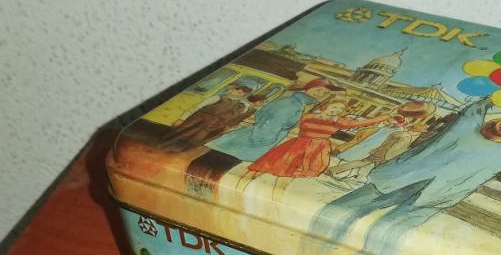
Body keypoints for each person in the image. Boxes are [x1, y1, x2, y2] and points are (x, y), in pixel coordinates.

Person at [307, 98, 501, 255]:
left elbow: (474, 109)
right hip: (436, 196)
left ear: (489, 125)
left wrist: (494, 98)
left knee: (337, 211)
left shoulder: (465, 126)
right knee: (385, 234)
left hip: (398, 179)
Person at [241, 97, 393, 201]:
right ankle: (242, 186)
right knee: (270, 166)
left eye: (340, 109)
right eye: (334, 107)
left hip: (317, 150)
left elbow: (363, 123)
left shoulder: (339, 121)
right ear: (326, 106)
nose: (336, 110)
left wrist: (384, 117)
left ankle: (275, 196)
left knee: (293, 174)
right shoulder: (308, 116)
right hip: (297, 146)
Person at [208, 78, 344, 162]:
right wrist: (262, 141)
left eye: (324, 93)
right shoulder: (291, 105)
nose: (320, 94)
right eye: (318, 90)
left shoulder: (295, 103)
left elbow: (261, 115)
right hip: (249, 144)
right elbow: (270, 125)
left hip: (248, 140)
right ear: (308, 88)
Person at [330, 101, 435, 184]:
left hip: (379, 146)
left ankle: (347, 174)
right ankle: (344, 173)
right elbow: (394, 143)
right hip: (380, 149)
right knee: (363, 161)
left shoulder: (400, 126)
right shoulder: (400, 128)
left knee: (364, 162)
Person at [160, 84, 253, 151]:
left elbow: (236, 116)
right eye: (238, 91)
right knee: (179, 135)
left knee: (194, 142)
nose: (239, 94)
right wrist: (182, 118)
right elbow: (197, 107)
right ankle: (161, 147)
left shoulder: (240, 106)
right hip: (196, 121)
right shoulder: (218, 98)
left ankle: (174, 153)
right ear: (233, 90)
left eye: (242, 94)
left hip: (211, 127)